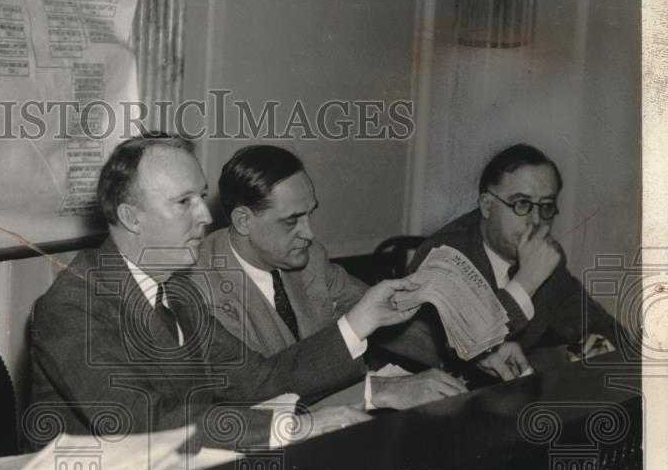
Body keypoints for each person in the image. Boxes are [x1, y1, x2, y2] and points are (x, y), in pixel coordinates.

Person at [29, 135, 448, 453]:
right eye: (184, 202)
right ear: (131, 217)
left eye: (201, 195)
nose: (205, 215)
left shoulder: (175, 290)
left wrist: (361, 320)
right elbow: (142, 423)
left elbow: (258, 381)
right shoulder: (72, 304)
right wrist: (292, 426)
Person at [195, 144, 473, 408]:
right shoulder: (201, 287)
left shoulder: (310, 257)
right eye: (291, 221)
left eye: (310, 214)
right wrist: (381, 390)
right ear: (243, 221)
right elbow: (258, 393)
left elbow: (382, 314)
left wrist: (470, 350)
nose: (309, 233)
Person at [406, 143, 625, 372]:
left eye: (546, 206)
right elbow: (455, 348)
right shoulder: (444, 255)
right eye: (522, 203)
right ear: (487, 206)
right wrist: (525, 282)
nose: (536, 220)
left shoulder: (545, 255)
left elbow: (595, 320)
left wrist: (600, 341)